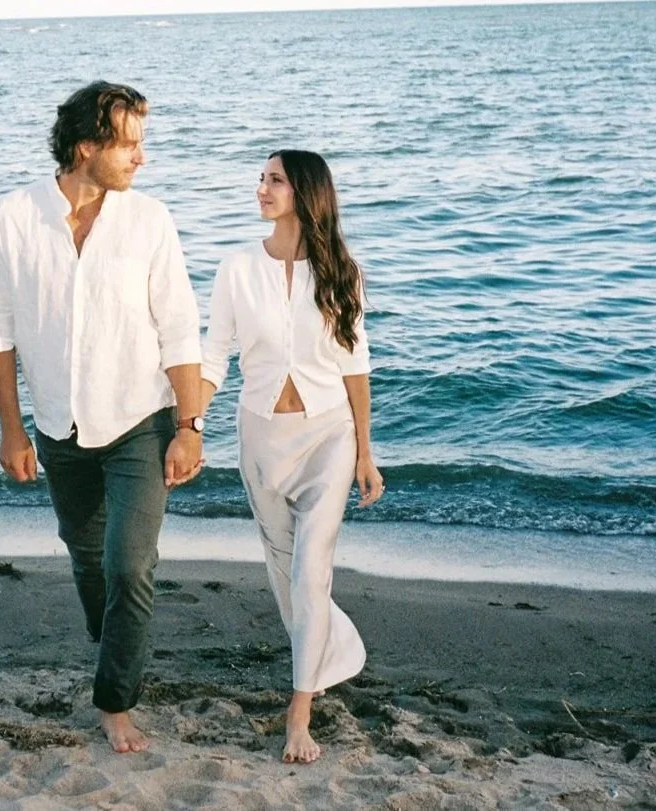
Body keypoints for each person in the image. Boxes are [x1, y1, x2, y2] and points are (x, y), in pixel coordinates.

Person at [0, 81, 204, 754]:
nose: (141, 157)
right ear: (86, 147)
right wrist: (11, 429)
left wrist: (189, 428)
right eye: (129, 144)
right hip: (58, 428)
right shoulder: (14, 217)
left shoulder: (149, 220)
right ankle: (118, 647)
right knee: (89, 563)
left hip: (141, 420)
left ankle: (114, 701)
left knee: (130, 567)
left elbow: (180, 330)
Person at [200, 149, 385, 764]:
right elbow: (214, 356)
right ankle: (330, 650)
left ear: (305, 193)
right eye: (261, 178)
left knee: (309, 572)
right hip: (260, 436)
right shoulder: (236, 268)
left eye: (275, 180)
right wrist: (189, 423)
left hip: (329, 435)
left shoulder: (341, 273)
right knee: (286, 574)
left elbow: (355, 365)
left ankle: (299, 712)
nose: (262, 188)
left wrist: (365, 452)